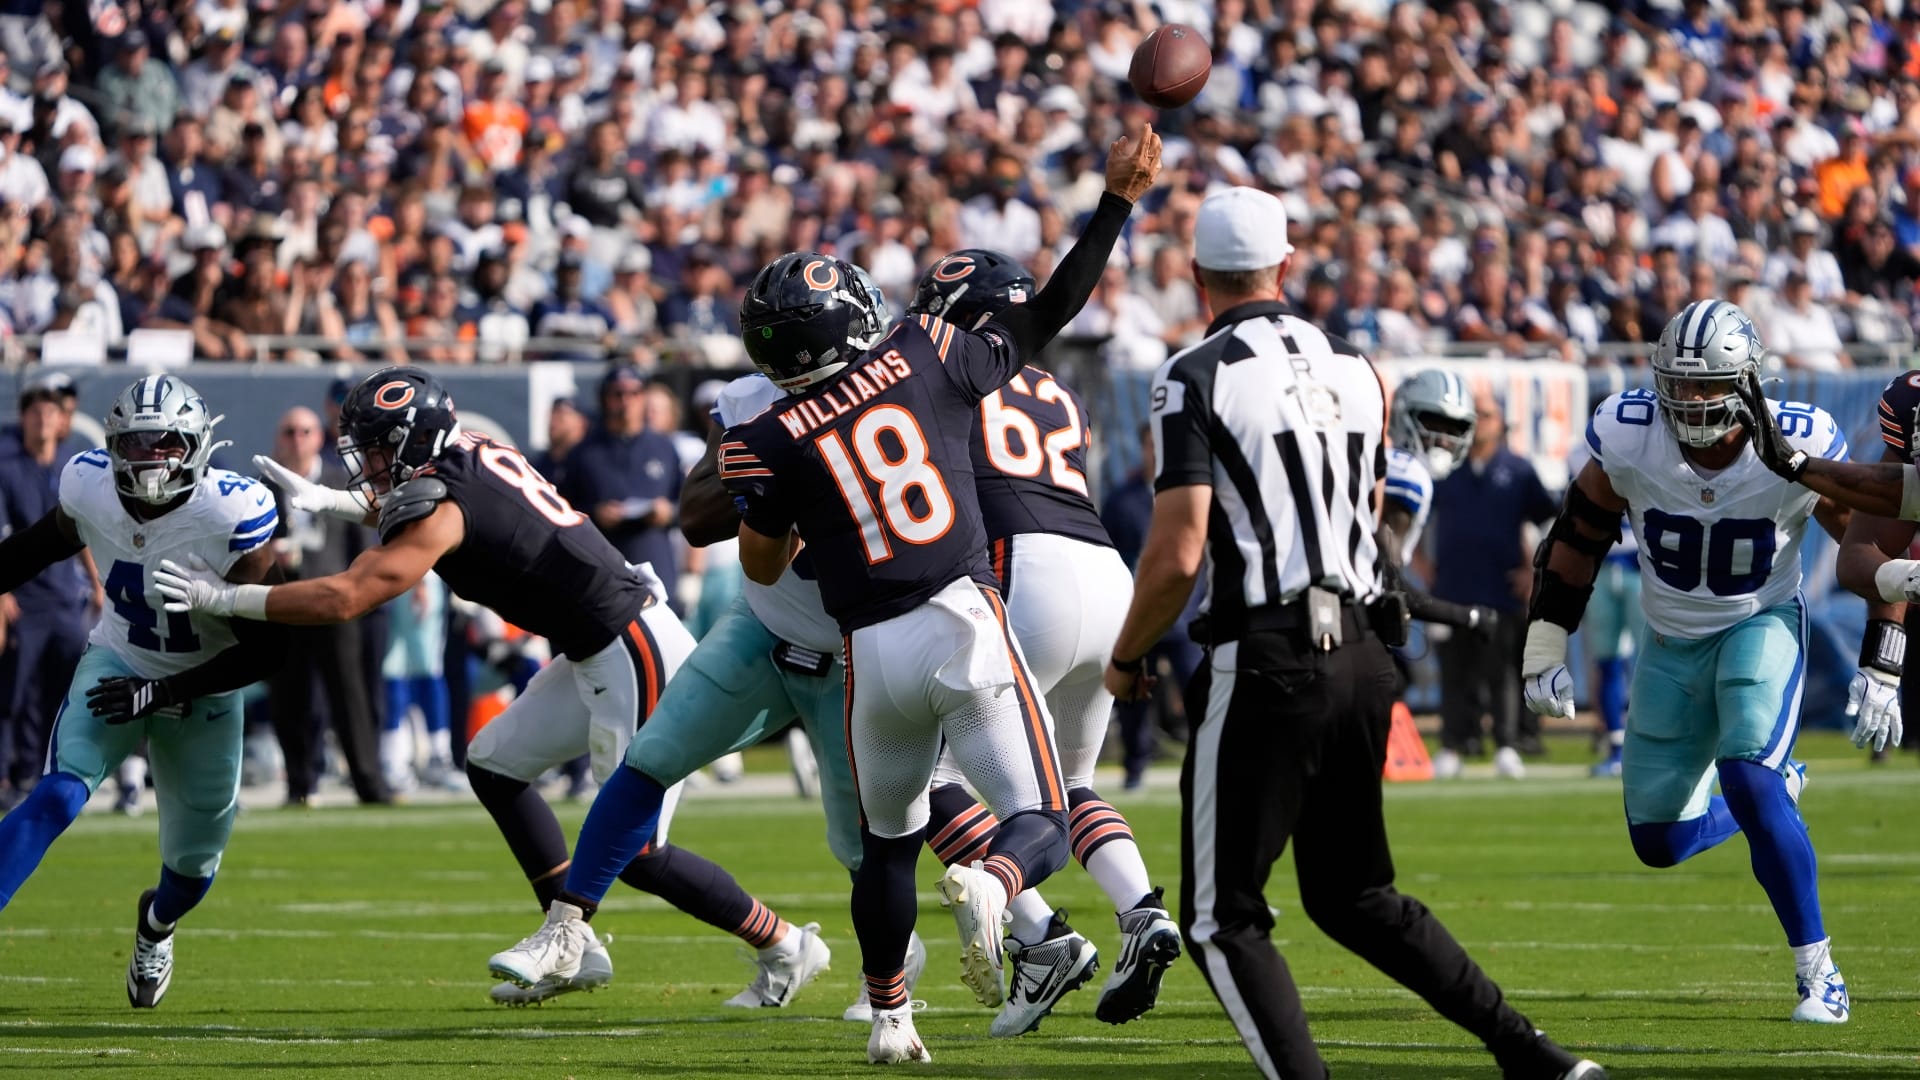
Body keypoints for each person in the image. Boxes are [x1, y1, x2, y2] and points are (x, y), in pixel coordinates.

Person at [488, 125, 1161, 1066]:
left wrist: (796, 501)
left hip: (868, 655)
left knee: (885, 848)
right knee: (1039, 814)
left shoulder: (773, 436)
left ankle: (892, 1020)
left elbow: (758, 562)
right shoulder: (929, 351)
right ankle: (1000, 886)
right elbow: (1051, 311)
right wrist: (1117, 203)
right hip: (959, 619)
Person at [1101, 185, 1605, 1080]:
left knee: (1223, 921)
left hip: (1268, 656)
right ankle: (1534, 1057)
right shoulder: (1356, 368)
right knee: (1355, 895)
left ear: (1195, 274)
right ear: (1287, 266)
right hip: (1365, 656)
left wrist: (1128, 655)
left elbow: (1177, 551)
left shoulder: (1194, 374)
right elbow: (1365, 516)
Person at [154, 367, 821, 1009]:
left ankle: (784, 944)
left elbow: (349, 594)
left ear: (413, 440)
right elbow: (411, 501)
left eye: (377, 450)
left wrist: (228, 598)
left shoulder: (441, 505)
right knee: (495, 764)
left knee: (637, 850)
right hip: (599, 646)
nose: (368, 467)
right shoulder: (466, 450)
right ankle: (578, 943)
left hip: (631, 645)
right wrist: (332, 501)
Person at [1521, 299, 1851, 1025]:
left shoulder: (1797, 443)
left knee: (1746, 774)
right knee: (1659, 843)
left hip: (1759, 622)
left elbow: (1862, 541)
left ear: (1748, 382)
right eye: (1681, 383)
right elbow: (1577, 534)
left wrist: (1888, 637)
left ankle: (1818, 972)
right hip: (1668, 640)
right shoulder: (1630, 434)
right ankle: (1771, 791)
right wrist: (1546, 638)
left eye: (1710, 386)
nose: (1693, 400)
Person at [905, 248, 1182, 1034]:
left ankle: (1037, 932)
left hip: (1024, 569)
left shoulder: (950, 374)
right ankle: (1140, 914)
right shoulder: (1058, 390)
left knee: (924, 774)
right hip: (1103, 570)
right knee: (1071, 778)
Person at [0, 375, 287, 1010]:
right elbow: (34, 549)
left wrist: (161, 692)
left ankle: (155, 925)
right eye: (134, 445)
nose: (148, 458)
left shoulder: (229, 512)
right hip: (118, 659)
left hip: (204, 685)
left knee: (192, 870)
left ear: (198, 445)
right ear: (111, 446)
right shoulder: (89, 486)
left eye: (165, 444)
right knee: (56, 794)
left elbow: (271, 649)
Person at [261, 406, 389, 807]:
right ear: (278, 438)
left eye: (305, 431)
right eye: (289, 431)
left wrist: (357, 593)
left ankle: (369, 782)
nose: (297, 438)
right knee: (288, 697)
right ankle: (299, 783)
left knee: (350, 695)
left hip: (334, 600)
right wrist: (270, 557)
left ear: (319, 437)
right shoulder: (261, 485)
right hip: (285, 602)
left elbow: (361, 546)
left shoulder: (340, 481)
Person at [1430, 390, 1558, 779]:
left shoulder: (1517, 470)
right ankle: (1453, 743)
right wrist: (1422, 568)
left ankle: (1506, 744)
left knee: (1501, 670)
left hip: (1498, 589)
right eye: (1474, 414)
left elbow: (1550, 522)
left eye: (1486, 414)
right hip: (1451, 588)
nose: (1480, 421)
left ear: (1501, 423)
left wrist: (1534, 572)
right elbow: (1417, 519)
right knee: (1454, 672)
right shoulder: (1445, 468)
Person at [0, 371, 101, 810]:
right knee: (14, 693)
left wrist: (98, 585)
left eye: (52, 411)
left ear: (63, 420)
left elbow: (83, 534)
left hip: (64, 598)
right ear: (23, 418)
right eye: (36, 410)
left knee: (67, 689)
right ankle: (10, 774)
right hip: (24, 598)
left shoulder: (73, 468)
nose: (44, 419)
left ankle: (50, 771)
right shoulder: (7, 468)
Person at [558, 366, 684, 605]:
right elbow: (561, 512)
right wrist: (594, 514)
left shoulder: (664, 447)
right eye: (617, 394)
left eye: (634, 393)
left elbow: (687, 505)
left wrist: (668, 512)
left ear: (644, 397)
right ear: (604, 398)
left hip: (656, 567)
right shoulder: (583, 452)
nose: (626, 401)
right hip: (603, 573)